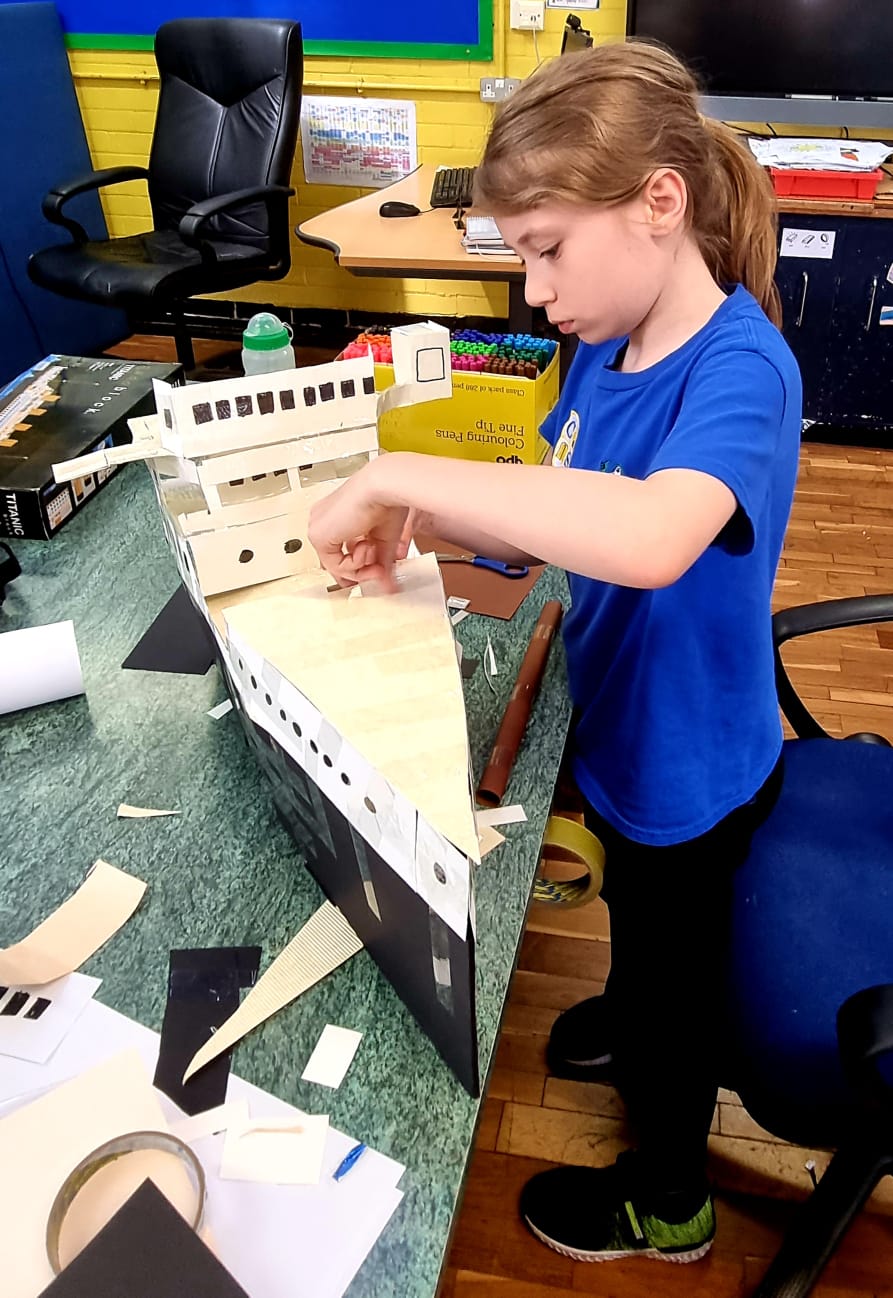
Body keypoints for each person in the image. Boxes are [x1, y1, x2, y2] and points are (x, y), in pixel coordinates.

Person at [308, 40, 802, 1266]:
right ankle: (631, 1011)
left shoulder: (742, 367)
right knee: (638, 930)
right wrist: (418, 518)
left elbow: (642, 536)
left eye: (544, 249)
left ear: (657, 203)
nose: (532, 289)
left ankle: (667, 1201)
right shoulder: (608, 338)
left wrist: (397, 468)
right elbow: (560, 497)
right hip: (627, 731)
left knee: (677, 999)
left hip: (693, 770)